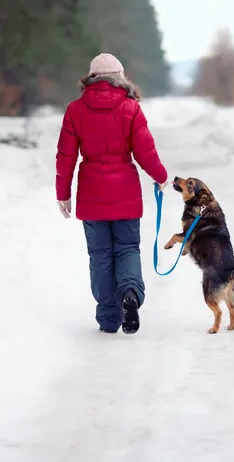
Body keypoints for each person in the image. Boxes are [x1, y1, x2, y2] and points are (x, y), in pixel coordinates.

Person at [55, 53, 167, 335]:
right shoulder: (131, 108)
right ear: (120, 77)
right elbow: (145, 151)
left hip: (92, 197)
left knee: (100, 255)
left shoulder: (75, 110)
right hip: (125, 194)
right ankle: (129, 294)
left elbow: (65, 156)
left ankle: (108, 318)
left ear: (91, 79)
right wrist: (161, 177)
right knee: (127, 248)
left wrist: (63, 194)